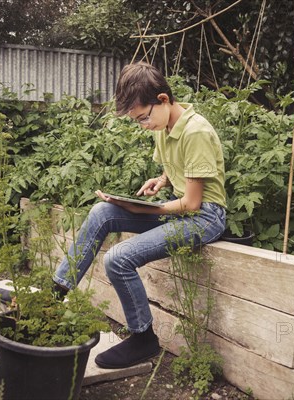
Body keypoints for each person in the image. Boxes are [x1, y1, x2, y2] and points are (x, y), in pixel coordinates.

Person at [52, 61, 227, 369]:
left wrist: (150, 208)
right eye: (137, 122)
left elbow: (194, 203)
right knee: (102, 212)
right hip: (179, 207)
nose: (143, 125)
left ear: (163, 99)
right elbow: (177, 166)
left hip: (204, 218)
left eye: (143, 118)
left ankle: (143, 338)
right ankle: (55, 293)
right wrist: (162, 179)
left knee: (118, 258)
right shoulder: (164, 124)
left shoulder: (196, 130)